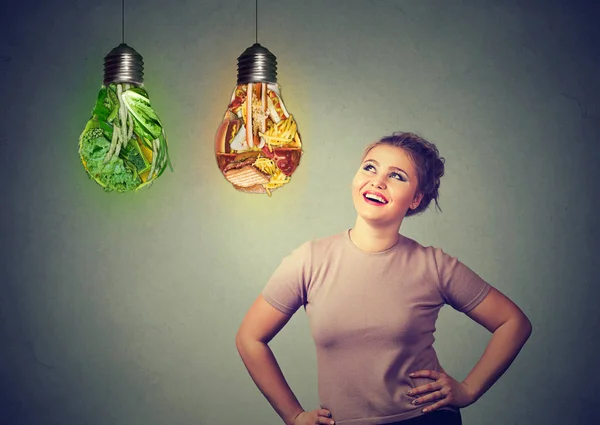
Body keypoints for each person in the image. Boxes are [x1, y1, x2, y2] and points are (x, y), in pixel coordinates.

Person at [235, 132, 532, 425]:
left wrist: (468, 390)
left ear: (416, 199)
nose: (378, 181)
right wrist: (293, 415)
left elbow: (513, 323)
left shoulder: (434, 266)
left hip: (423, 420)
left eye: (397, 176)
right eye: (370, 167)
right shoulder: (309, 261)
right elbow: (250, 338)